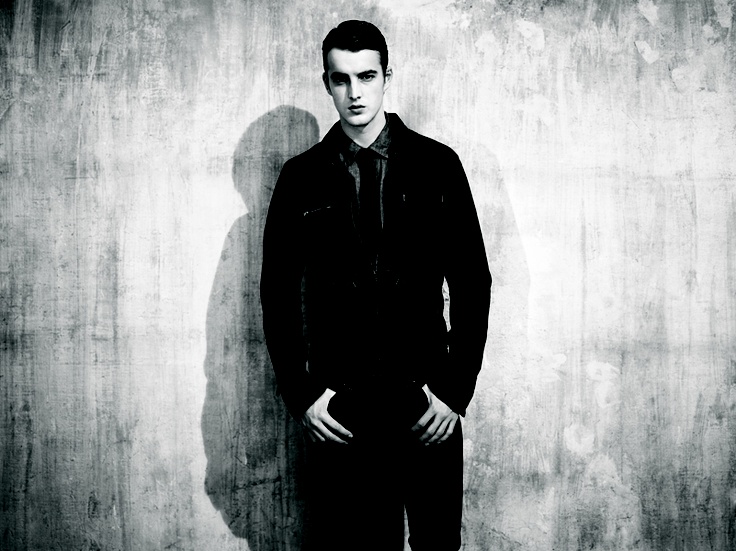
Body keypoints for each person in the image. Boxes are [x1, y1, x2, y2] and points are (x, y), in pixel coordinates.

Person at [260, 20, 491, 551]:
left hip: (425, 399)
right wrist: (304, 395)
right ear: (327, 83)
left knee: (437, 544)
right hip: (341, 405)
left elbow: (473, 280)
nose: (355, 92)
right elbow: (277, 294)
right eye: (341, 79)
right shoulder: (301, 177)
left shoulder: (437, 165)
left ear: (387, 76)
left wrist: (454, 390)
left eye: (366, 76)